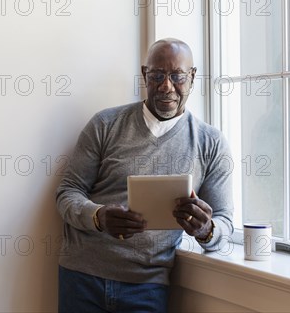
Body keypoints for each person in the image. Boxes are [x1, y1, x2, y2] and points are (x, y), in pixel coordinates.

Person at [55, 38, 233, 313]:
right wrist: (98, 216)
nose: (166, 86)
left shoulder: (210, 142)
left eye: (177, 76)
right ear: (144, 75)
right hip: (82, 277)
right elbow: (67, 192)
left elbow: (224, 221)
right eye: (157, 76)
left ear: (193, 76)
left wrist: (206, 230)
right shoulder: (105, 124)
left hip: (147, 287)